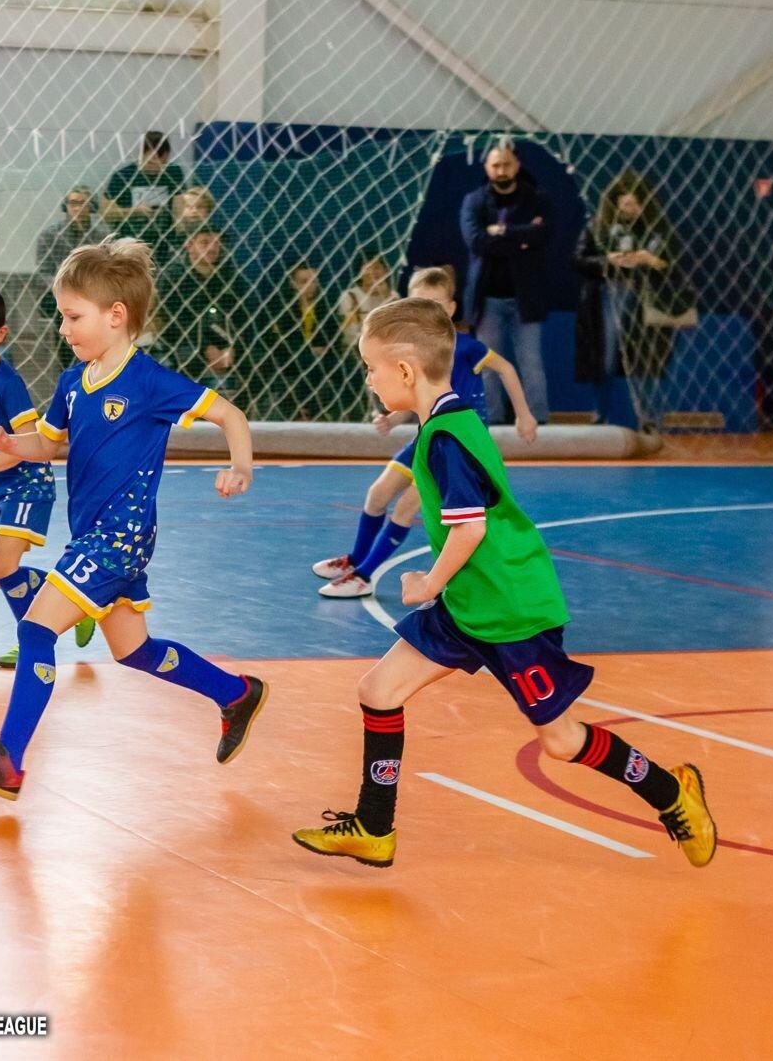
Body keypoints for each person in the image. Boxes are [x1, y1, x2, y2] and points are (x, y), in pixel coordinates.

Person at [291, 297, 716, 869]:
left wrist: (427, 584)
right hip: (472, 603)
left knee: (561, 741)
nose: (367, 378)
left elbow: (470, 529)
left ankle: (671, 792)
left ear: (406, 371)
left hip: (511, 610)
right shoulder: (447, 422)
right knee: (378, 691)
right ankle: (374, 826)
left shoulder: (446, 439)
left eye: (371, 367)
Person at [0, 238, 270, 800]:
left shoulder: (149, 382)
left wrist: (240, 466)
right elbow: (46, 444)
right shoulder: (73, 382)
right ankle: (236, 693)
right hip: (93, 535)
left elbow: (230, 414)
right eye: (62, 316)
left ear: (115, 316)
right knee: (134, 650)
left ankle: (7, 761)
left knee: (36, 629)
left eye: (73, 317)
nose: (63, 328)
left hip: (120, 538)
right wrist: (6, 443)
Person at [312, 266, 537, 598]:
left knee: (406, 508)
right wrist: (393, 419)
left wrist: (524, 414)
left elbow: (505, 369)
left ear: (451, 308)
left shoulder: (466, 348)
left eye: (434, 304)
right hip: (426, 436)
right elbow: (419, 397)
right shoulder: (409, 354)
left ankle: (364, 575)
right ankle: (356, 558)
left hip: (452, 444)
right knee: (377, 494)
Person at [0, 281, 95, 669]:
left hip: (27, 482)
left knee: (4, 567)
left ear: (0, 334)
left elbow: (28, 440)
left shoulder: (6, 382)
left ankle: (33, 641)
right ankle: (77, 603)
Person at [573, 171, 689, 431]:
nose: (630, 210)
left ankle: (649, 419)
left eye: (635, 204)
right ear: (615, 204)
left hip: (649, 297)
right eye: (625, 204)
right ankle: (601, 414)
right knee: (606, 358)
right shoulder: (599, 227)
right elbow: (578, 260)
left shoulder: (659, 229)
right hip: (609, 294)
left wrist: (649, 260)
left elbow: (675, 265)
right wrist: (608, 260)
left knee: (646, 360)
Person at [460, 139, 552, 424]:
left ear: (517, 165)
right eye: (496, 165)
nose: (501, 170)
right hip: (487, 299)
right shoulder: (474, 201)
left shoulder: (537, 199)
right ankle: (492, 421)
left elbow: (542, 236)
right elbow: (476, 241)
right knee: (488, 364)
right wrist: (520, 238)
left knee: (531, 364)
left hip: (526, 298)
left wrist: (500, 231)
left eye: (507, 164)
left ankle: (538, 421)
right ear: (487, 167)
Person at [155, 225, 251, 399]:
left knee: (256, 358)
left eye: (217, 242)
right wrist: (205, 348)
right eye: (205, 242)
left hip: (225, 340)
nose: (212, 247)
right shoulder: (173, 275)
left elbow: (241, 317)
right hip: (185, 341)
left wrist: (232, 347)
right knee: (187, 359)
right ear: (189, 245)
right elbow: (173, 322)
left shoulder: (230, 274)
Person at [256, 261, 327, 420]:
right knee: (308, 361)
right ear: (293, 284)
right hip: (286, 356)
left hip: (317, 354)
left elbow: (331, 333)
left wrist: (323, 347)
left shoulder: (323, 304)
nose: (310, 286)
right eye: (304, 281)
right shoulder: (281, 305)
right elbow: (280, 340)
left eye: (313, 281)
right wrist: (309, 350)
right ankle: (305, 412)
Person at [99, 131, 186, 252]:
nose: (155, 166)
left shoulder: (173, 172)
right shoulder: (123, 176)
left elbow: (179, 207)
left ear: (166, 157)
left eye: (161, 162)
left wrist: (181, 236)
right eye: (150, 162)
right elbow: (105, 213)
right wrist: (134, 211)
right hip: (129, 245)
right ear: (141, 155)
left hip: (164, 243)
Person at [34, 186, 110, 322]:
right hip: (59, 293)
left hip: (92, 291)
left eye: (83, 203)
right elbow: (43, 274)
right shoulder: (50, 235)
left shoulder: (102, 235)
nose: (77, 208)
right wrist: (64, 287)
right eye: (73, 203)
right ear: (66, 206)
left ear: (91, 207)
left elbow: (107, 269)